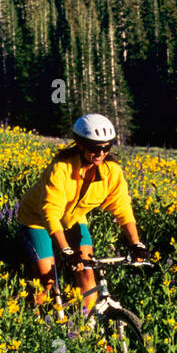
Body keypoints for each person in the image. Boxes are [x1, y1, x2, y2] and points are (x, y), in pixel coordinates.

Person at [16, 113, 147, 319]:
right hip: (37, 220)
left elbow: (122, 206)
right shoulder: (61, 168)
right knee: (46, 281)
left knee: (87, 272)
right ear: (81, 145)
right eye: (95, 148)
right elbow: (50, 211)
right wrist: (66, 250)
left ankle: (82, 332)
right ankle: (32, 324)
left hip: (74, 218)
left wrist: (136, 243)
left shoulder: (112, 172)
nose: (101, 153)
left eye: (106, 148)